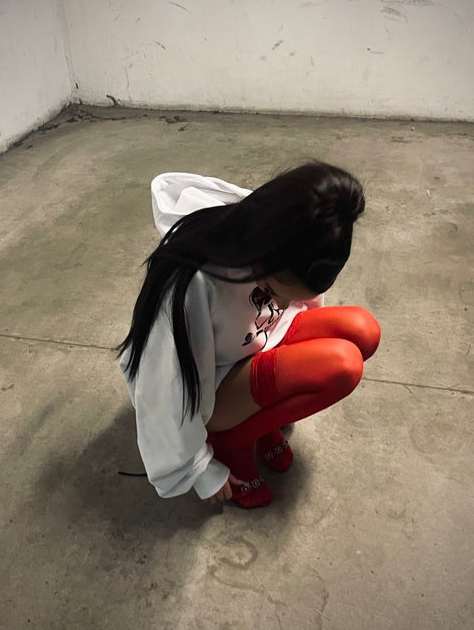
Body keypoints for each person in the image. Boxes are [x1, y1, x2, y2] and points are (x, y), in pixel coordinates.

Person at [117, 161, 380, 508]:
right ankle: (234, 439)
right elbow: (162, 385)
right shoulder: (190, 281)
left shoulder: (280, 228)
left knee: (363, 330)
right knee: (342, 366)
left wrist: (295, 324)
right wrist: (197, 468)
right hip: (214, 383)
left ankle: (259, 422)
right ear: (260, 257)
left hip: (256, 341)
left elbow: (296, 300)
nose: (281, 303)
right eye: (271, 290)